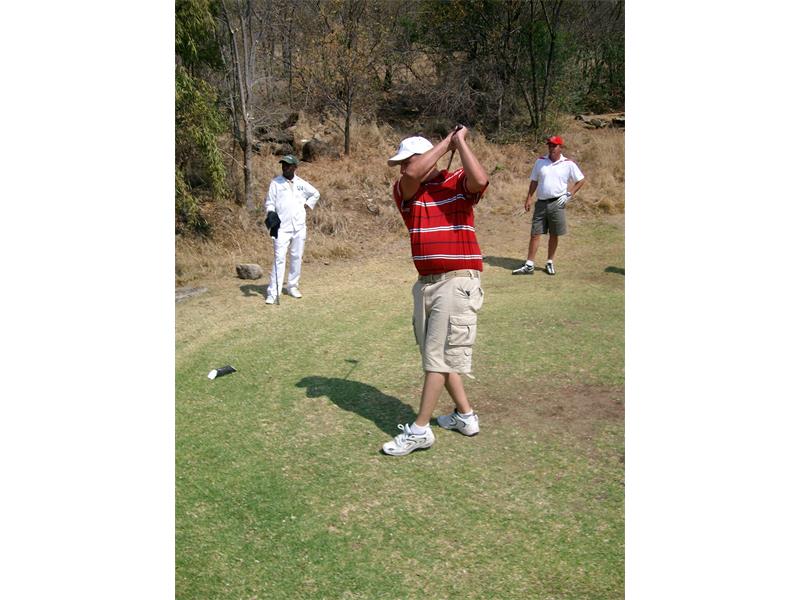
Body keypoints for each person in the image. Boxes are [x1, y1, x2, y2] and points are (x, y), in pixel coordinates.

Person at [382, 126, 490, 457]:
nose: (403, 168)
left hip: (457, 281)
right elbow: (413, 174)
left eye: (407, 160)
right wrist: (448, 141)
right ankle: (465, 416)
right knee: (437, 355)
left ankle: (420, 431)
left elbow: (480, 180)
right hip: (425, 284)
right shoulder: (405, 191)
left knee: (438, 356)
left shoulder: (458, 182)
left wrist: (460, 143)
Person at [512, 135, 585, 276]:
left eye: (554, 145)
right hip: (541, 203)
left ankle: (550, 262)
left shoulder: (568, 163)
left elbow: (581, 180)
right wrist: (528, 198)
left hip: (557, 202)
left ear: (560, 147)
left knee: (554, 234)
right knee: (535, 233)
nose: (551, 148)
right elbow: (534, 181)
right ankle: (529, 264)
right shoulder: (540, 161)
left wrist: (569, 194)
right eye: (550, 145)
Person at [263, 155, 320, 304]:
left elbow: (316, 193)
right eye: (283, 165)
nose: (285, 167)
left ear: (295, 167)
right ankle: (273, 293)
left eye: (288, 165)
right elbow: (270, 202)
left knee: (296, 257)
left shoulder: (301, 183)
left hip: (299, 227)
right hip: (281, 227)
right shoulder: (275, 183)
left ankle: (292, 286)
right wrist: (271, 213)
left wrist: (307, 205)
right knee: (279, 258)